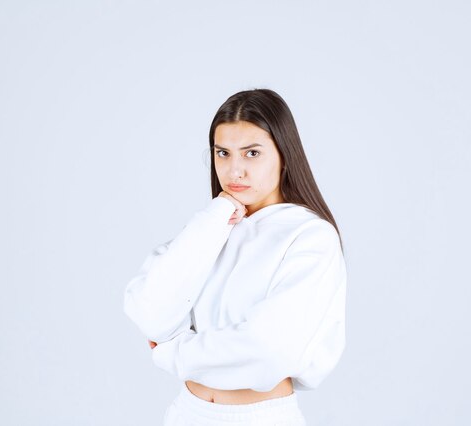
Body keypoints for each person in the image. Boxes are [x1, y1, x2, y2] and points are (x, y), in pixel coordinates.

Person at [123, 88, 347, 425]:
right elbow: (150, 310)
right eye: (223, 153)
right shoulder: (211, 229)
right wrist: (219, 214)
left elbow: (267, 350)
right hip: (188, 413)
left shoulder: (309, 237)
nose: (234, 170)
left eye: (252, 153)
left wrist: (174, 352)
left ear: (284, 154)